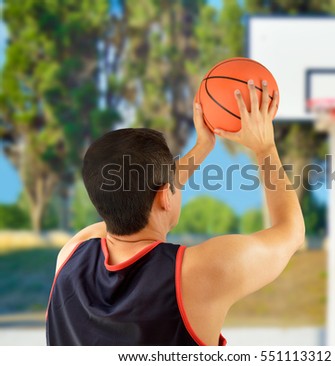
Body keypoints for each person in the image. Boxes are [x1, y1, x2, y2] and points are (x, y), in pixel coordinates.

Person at [46, 79, 305, 346]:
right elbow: (291, 232)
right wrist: (265, 148)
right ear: (163, 196)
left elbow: (134, 196)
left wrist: (202, 148)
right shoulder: (198, 274)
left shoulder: (70, 255)